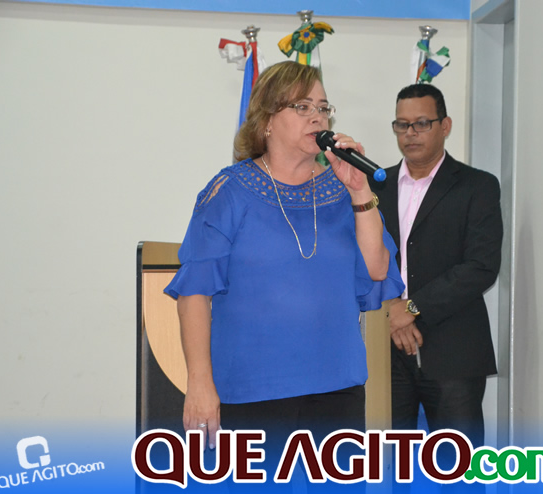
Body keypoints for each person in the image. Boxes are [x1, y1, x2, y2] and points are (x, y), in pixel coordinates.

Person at [164, 61, 404, 490]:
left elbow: (377, 268)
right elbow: (194, 293)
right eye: (302, 106)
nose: (318, 117)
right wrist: (199, 383)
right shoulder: (230, 191)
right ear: (267, 120)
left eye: (324, 108)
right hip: (252, 392)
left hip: (336, 389)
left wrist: (360, 190)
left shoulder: (343, 190)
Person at [370, 83, 503, 478]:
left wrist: (411, 309)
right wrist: (390, 312)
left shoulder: (477, 186)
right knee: (388, 472)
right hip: (385, 353)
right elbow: (360, 261)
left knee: (458, 473)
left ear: (445, 126)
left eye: (421, 124)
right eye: (401, 124)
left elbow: (481, 266)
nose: (410, 133)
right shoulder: (374, 186)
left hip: (453, 352)